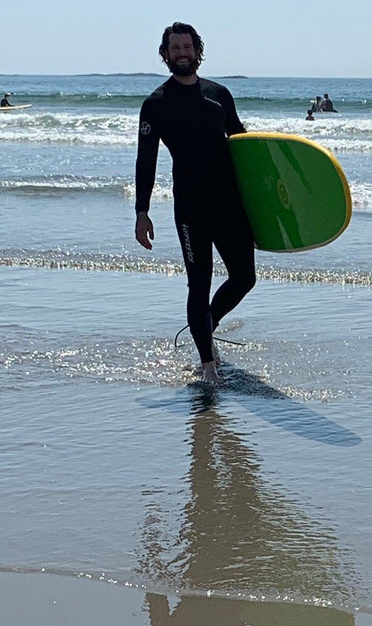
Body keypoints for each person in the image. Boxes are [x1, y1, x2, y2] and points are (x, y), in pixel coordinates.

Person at [134, 22, 256, 386]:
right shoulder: (156, 104)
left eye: (187, 46)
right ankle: (207, 365)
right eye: (175, 48)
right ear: (166, 53)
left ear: (197, 50)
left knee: (244, 278)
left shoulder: (219, 94)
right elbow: (146, 160)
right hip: (191, 209)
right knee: (198, 284)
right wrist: (142, 211)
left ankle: (206, 326)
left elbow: (243, 144)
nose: (182, 53)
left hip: (230, 204)